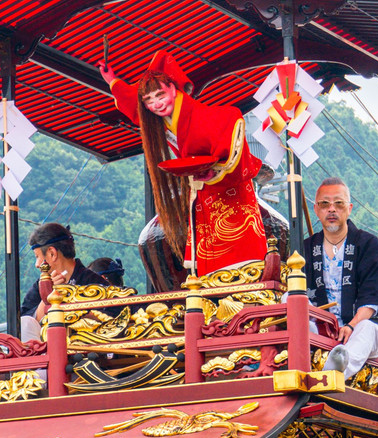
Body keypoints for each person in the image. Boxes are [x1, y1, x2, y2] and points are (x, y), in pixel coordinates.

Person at [99, 51, 267, 276]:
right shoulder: (158, 121)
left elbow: (230, 120)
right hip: (201, 192)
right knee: (207, 255)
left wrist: (214, 170)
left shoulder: (200, 116)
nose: (156, 104)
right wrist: (113, 81)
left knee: (239, 251)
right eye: (149, 101)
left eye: (160, 95)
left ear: (174, 88)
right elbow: (133, 104)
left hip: (226, 187)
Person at [303, 178, 378, 378]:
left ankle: (333, 375)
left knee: (366, 330)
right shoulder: (306, 247)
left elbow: (372, 298)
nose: (331, 209)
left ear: (349, 208)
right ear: (316, 209)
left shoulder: (368, 244)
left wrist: (351, 325)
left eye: (338, 203)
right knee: (291, 297)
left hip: (362, 326)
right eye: (325, 204)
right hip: (323, 328)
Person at [20, 222, 107, 341]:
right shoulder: (39, 285)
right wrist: (49, 294)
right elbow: (26, 325)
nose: (37, 265)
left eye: (37, 257)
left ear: (52, 253)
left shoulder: (93, 281)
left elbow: (108, 317)